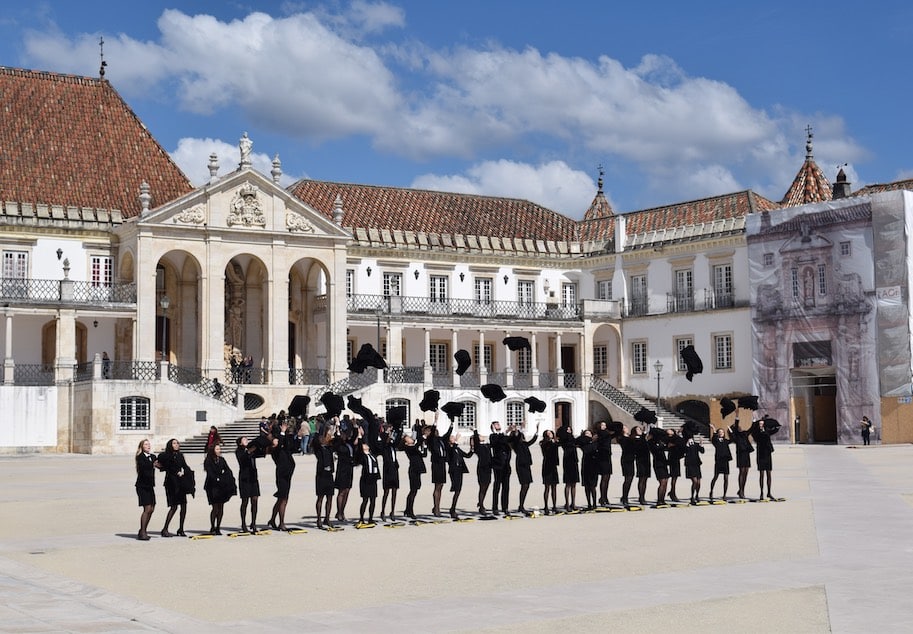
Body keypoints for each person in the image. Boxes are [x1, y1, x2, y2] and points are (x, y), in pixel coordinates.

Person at [268, 419, 297, 531]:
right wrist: (282, 433)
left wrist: (292, 434)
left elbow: (288, 445)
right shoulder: (275, 449)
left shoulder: (282, 446)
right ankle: (281, 523)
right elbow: (280, 444)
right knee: (283, 498)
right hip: (282, 474)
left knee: (281, 499)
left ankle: (272, 519)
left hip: (288, 473)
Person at [158, 438, 189, 537]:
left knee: (184, 505)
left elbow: (184, 466)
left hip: (181, 483)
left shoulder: (180, 455)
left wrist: (187, 472)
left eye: (177, 443)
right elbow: (167, 467)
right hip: (171, 483)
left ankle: (181, 528)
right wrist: (176, 472)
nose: (176, 445)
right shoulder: (166, 455)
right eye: (174, 443)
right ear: (170, 445)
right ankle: (165, 528)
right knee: (174, 506)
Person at [203, 443, 236, 535]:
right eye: (217, 449)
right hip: (212, 486)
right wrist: (218, 478)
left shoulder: (221, 459)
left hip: (221, 485)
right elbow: (210, 473)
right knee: (215, 507)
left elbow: (228, 470)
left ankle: (218, 527)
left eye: (219, 449)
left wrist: (226, 478)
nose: (219, 451)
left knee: (221, 507)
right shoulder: (208, 460)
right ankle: (212, 526)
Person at [509, 422, 539, 515]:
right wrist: (518, 430)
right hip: (521, 465)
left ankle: (521, 505)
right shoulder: (516, 444)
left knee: (527, 485)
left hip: (526, 465)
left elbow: (532, 441)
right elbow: (517, 438)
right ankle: (521, 506)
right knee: (524, 485)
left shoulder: (524, 444)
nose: (523, 437)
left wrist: (537, 431)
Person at [236, 436, 263, 533]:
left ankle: (254, 522)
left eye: (246, 439)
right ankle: (243, 523)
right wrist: (249, 451)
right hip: (244, 478)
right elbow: (242, 460)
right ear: (240, 443)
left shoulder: (251, 450)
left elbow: (261, 453)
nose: (246, 440)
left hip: (253, 477)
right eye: (244, 439)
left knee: (255, 500)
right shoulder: (239, 451)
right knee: (245, 501)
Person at [314, 418, 337, 529]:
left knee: (330, 497)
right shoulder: (319, 448)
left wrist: (336, 424)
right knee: (320, 498)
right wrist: (321, 430)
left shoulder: (330, 448)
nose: (329, 436)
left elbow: (336, 438)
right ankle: (318, 518)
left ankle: (327, 518)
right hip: (321, 474)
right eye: (327, 435)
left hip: (329, 474)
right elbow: (316, 440)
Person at [355, 425, 381, 526]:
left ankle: (370, 518)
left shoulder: (372, 455)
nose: (366, 445)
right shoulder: (362, 456)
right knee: (365, 500)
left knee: (373, 500)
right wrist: (359, 435)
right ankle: (361, 518)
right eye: (364, 445)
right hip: (366, 479)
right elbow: (360, 447)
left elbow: (378, 445)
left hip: (373, 479)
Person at [428, 415, 452, 517]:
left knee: (441, 486)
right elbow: (433, 432)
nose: (436, 431)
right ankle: (436, 508)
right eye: (435, 431)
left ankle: (436, 506)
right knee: (437, 486)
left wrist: (452, 424)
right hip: (436, 464)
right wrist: (436, 420)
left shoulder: (440, 440)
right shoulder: (431, 440)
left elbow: (447, 435)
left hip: (442, 464)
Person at [134, 439, 158, 540]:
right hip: (142, 486)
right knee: (147, 508)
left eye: (149, 444)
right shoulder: (140, 457)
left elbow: (159, 465)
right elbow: (144, 467)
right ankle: (143, 531)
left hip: (150, 485)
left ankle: (143, 530)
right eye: (146, 444)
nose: (148, 446)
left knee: (152, 508)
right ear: (142, 447)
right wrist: (153, 464)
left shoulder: (152, 456)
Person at [333, 425, 357, 522]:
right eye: (343, 434)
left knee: (347, 491)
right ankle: (339, 512)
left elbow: (355, 436)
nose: (345, 436)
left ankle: (342, 511)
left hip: (349, 469)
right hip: (342, 469)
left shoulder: (348, 443)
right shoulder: (339, 445)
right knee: (341, 492)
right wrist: (338, 431)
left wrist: (355, 426)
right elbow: (337, 442)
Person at [447, 433, 473, 520]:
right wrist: (456, 441)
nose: (454, 438)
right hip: (454, 471)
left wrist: (472, 448)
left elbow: (467, 455)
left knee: (458, 490)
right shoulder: (449, 448)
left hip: (460, 470)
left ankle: (453, 508)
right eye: (452, 437)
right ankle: (452, 509)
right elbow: (451, 451)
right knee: (456, 489)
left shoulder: (457, 448)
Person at [489, 421, 512, 515]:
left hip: (506, 465)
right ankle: (495, 507)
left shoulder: (505, 436)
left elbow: (510, 442)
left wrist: (514, 431)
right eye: (496, 424)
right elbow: (497, 443)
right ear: (493, 427)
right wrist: (504, 433)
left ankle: (505, 507)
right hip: (498, 465)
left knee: (506, 487)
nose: (498, 425)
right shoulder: (492, 436)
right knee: (497, 486)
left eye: (499, 424)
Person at [402, 429, 426, 520]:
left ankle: (408, 509)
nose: (410, 438)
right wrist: (423, 437)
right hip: (413, 470)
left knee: (414, 491)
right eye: (408, 438)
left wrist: (425, 445)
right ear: (406, 442)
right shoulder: (409, 448)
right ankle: (409, 510)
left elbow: (423, 455)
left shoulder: (414, 447)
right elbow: (417, 445)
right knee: (413, 490)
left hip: (418, 470)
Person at [378, 421, 401, 521]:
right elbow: (385, 442)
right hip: (387, 469)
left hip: (394, 468)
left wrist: (399, 428)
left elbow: (396, 440)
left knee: (394, 491)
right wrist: (388, 433)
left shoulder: (392, 445)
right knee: (386, 491)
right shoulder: (383, 440)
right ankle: (383, 511)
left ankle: (392, 511)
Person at [556, 423, 580, 511]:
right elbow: (568, 440)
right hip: (567, 461)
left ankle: (573, 503)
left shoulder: (572, 439)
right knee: (568, 483)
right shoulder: (565, 439)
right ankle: (567, 503)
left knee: (574, 484)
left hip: (574, 461)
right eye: (568, 429)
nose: (570, 431)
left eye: (570, 429)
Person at [751, 417, 776, 500]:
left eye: (762, 424)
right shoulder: (756, 433)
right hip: (761, 454)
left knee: (769, 473)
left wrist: (775, 426)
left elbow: (774, 430)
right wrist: (755, 425)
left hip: (767, 454)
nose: (761, 425)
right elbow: (755, 436)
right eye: (760, 424)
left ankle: (769, 492)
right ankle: (761, 492)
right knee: (761, 474)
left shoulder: (767, 431)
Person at [731, 419, 753, 499]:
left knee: (746, 472)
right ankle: (741, 491)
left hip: (746, 454)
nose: (739, 428)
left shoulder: (744, 433)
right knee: (742, 472)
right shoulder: (736, 436)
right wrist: (736, 418)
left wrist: (755, 422)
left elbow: (751, 430)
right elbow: (736, 426)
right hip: (740, 455)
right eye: (737, 427)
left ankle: (742, 490)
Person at [709, 424, 733, 500]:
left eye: (722, 432)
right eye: (720, 432)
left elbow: (733, 439)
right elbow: (713, 439)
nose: (721, 433)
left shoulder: (726, 441)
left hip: (725, 461)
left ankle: (724, 494)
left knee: (726, 478)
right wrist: (714, 429)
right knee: (715, 477)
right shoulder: (716, 441)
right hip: (719, 461)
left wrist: (730, 431)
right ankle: (711, 491)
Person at [471, 429, 492, 514]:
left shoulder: (487, 445)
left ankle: (481, 502)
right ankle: (481, 505)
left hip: (488, 468)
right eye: (480, 436)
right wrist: (475, 432)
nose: (482, 436)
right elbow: (475, 440)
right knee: (482, 487)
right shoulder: (478, 447)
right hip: (482, 468)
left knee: (486, 486)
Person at [539, 429, 560, 514]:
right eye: (548, 433)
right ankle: (546, 506)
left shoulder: (555, 442)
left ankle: (554, 506)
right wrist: (552, 441)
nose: (550, 434)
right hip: (547, 466)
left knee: (554, 487)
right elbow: (547, 448)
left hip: (553, 466)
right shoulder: (544, 443)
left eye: (551, 433)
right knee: (547, 487)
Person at [648, 428, 670, 506]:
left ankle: (662, 499)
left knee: (666, 481)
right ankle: (659, 500)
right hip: (658, 463)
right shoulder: (651, 442)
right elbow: (655, 450)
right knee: (662, 482)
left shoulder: (660, 441)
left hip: (664, 462)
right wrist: (663, 446)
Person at [595, 421, 614, 506]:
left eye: (605, 425)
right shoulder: (599, 434)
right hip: (602, 457)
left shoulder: (607, 434)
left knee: (607, 478)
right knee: (604, 477)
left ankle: (605, 496)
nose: (604, 426)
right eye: (602, 425)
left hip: (607, 457)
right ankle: (602, 497)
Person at [684, 436, 705, 505]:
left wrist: (701, 443)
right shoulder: (685, 445)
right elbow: (684, 451)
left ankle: (697, 495)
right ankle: (692, 496)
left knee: (698, 482)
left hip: (696, 465)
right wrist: (687, 444)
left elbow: (702, 451)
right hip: (690, 465)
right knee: (694, 481)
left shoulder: (696, 444)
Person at [666, 428, 685, 502]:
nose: (668, 431)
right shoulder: (668, 438)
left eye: (670, 430)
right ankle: (672, 493)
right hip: (672, 458)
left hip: (676, 457)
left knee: (675, 476)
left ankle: (672, 491)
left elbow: (680, 444)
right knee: (674, 476)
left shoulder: (677, 438)